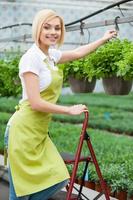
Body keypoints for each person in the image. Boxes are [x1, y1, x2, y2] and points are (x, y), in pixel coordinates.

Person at [5, 9, 117, 200]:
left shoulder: (50, 56)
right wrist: (68, 110)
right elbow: (35, 103)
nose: (53, 32)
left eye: (57, 28)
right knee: (21, 192)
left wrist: (103, 38)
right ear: (37, 29)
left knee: (58, 178)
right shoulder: (31, 58)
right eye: (47, 27)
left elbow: (77, 52)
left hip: (38, 132)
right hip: (22, 131)